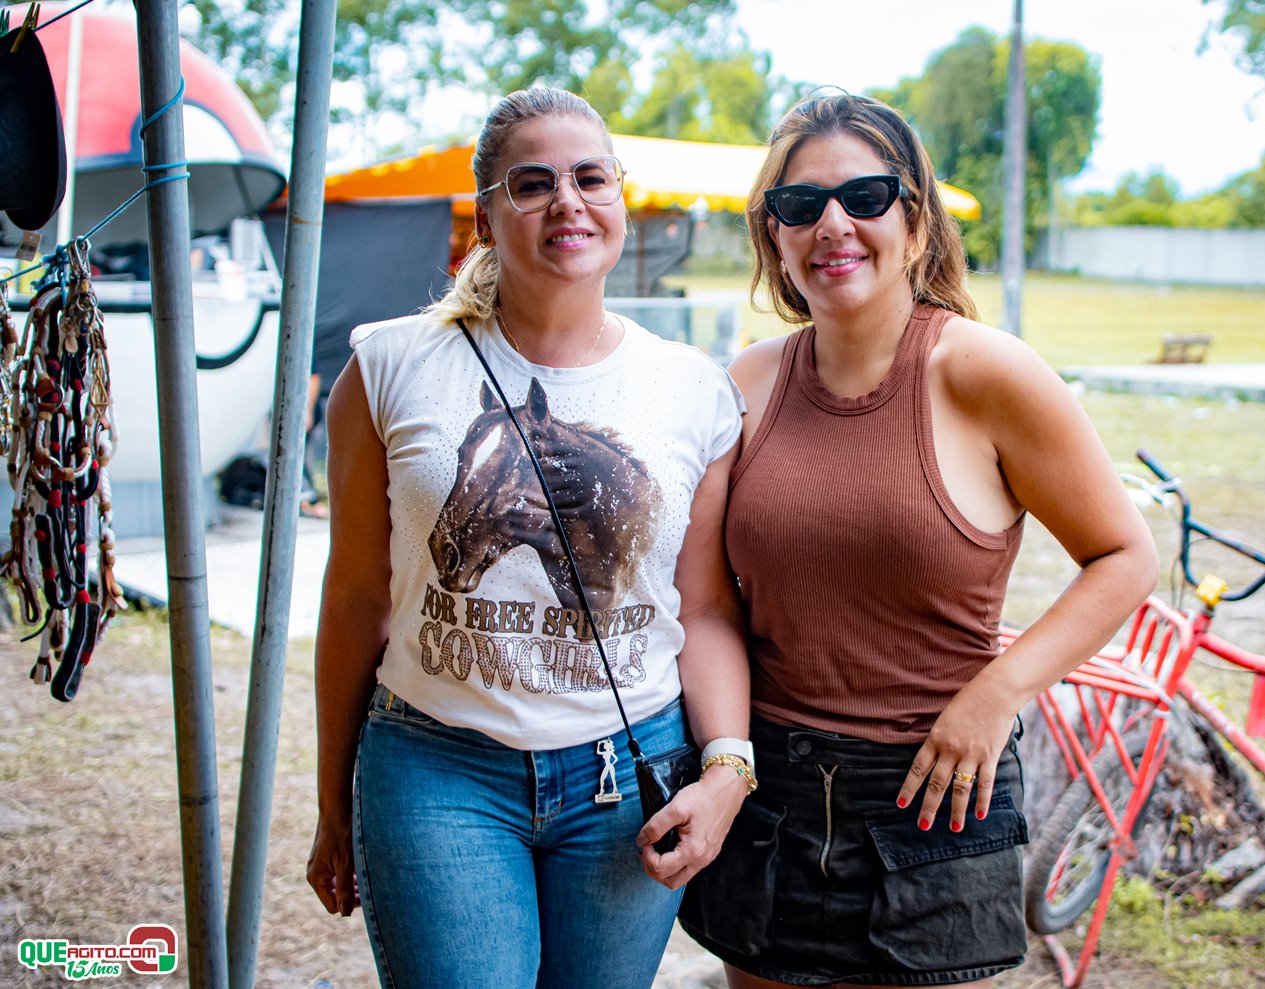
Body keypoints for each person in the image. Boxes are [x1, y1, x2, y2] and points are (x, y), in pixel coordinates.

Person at [678, 93, 1160, 988]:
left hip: (933, 797)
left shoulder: (986, 372)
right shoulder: (740, 387)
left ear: (916, 216)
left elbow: (1127, 556)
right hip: (771, 798)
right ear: (772, 237)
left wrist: (999, 691)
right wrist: (727, 763)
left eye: (866, 195)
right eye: (798, 205)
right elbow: (704, 607)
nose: (832, 224)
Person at [305, 87, 754, 989]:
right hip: (436, 766)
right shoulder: (387, 366)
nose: (568, 202)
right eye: (533, 183)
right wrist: (331, 803)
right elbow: (355, 595)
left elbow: (701, 609)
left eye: (592, 178)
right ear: (486, 213)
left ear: (620, 200)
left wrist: (727, 772)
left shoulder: (694, 389)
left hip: (625, 776)